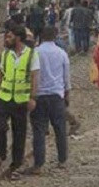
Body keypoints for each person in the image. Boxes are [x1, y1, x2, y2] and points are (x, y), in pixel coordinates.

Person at [0, 24, 39, 179]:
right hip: (4, 98)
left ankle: (16, 164)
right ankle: (1, 152)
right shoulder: (6, 55)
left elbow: (34, 77)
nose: (7, 39)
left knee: (19, 133)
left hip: (21, 100)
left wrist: (32, 98)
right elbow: (1, 74)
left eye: (10, 36)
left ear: (18, 38)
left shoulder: (31, 55)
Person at [27, 26, 70, 174]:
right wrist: (67, 94)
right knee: (60, 129)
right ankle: (62, 160)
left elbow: (31, 75)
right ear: (55, 36)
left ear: (41, 36)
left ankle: (38, 164)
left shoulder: (35, 53)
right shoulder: (62, 53)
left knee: (38, 130)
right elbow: (66, 77)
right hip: (57, 96)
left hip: (39, 96)